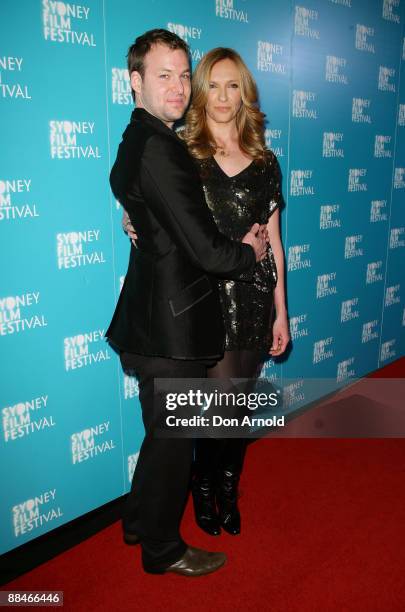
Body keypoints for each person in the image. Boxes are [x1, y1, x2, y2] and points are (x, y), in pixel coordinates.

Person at [106, 29, 269, 578]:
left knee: (162, 438)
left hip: (155, 319)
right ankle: (162, 549)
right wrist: (248, 252)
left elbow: (149, 208)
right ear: (136, 82)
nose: (178, 88)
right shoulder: (160, 147)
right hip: (170, 327)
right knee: (175, 446)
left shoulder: (139, 138)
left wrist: (144, 221)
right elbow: (205, 248)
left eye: (182, 75)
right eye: (162, 76)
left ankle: (137, 521)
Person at [183, 48, 290, 537]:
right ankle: (203, 485)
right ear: (201, 90)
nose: (223, 97)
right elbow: (160, 215)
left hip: (253, 297)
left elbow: (276, 245)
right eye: (214, 85)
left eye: (233, 86)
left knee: (240, 406)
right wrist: (133, 219)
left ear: (244, 93)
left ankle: (227, 484)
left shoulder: (266, 162)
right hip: (206, 300)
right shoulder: (186, 155)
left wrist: (281, 314)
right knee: (218, 408)